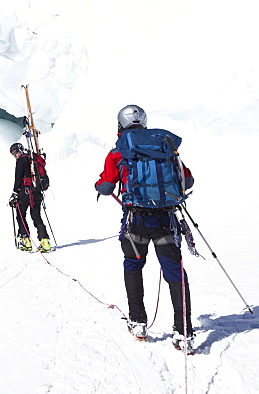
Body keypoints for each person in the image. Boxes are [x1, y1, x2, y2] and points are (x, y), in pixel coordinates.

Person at [95, 104, 196, 352]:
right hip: (166, 219)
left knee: (133, 266)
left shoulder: (118, 152)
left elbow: (107, 186)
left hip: (135, 221)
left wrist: (99, 185)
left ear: (120, 125)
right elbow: (188, 179)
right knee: (174, 272)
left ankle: (138, 321)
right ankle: (183, 332)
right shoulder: (165, 147)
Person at [9, 142, 50, 253]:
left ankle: (26, 241)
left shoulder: (21, 160)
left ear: (20, 150)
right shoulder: (32, 158)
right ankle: (45, 242)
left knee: (20, 215)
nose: (14, 155)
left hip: (25, 193)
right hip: (37, 192)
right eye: (13, 154)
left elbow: (18, 179)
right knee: (36, 216)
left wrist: (15, 193)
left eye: (15, 152)